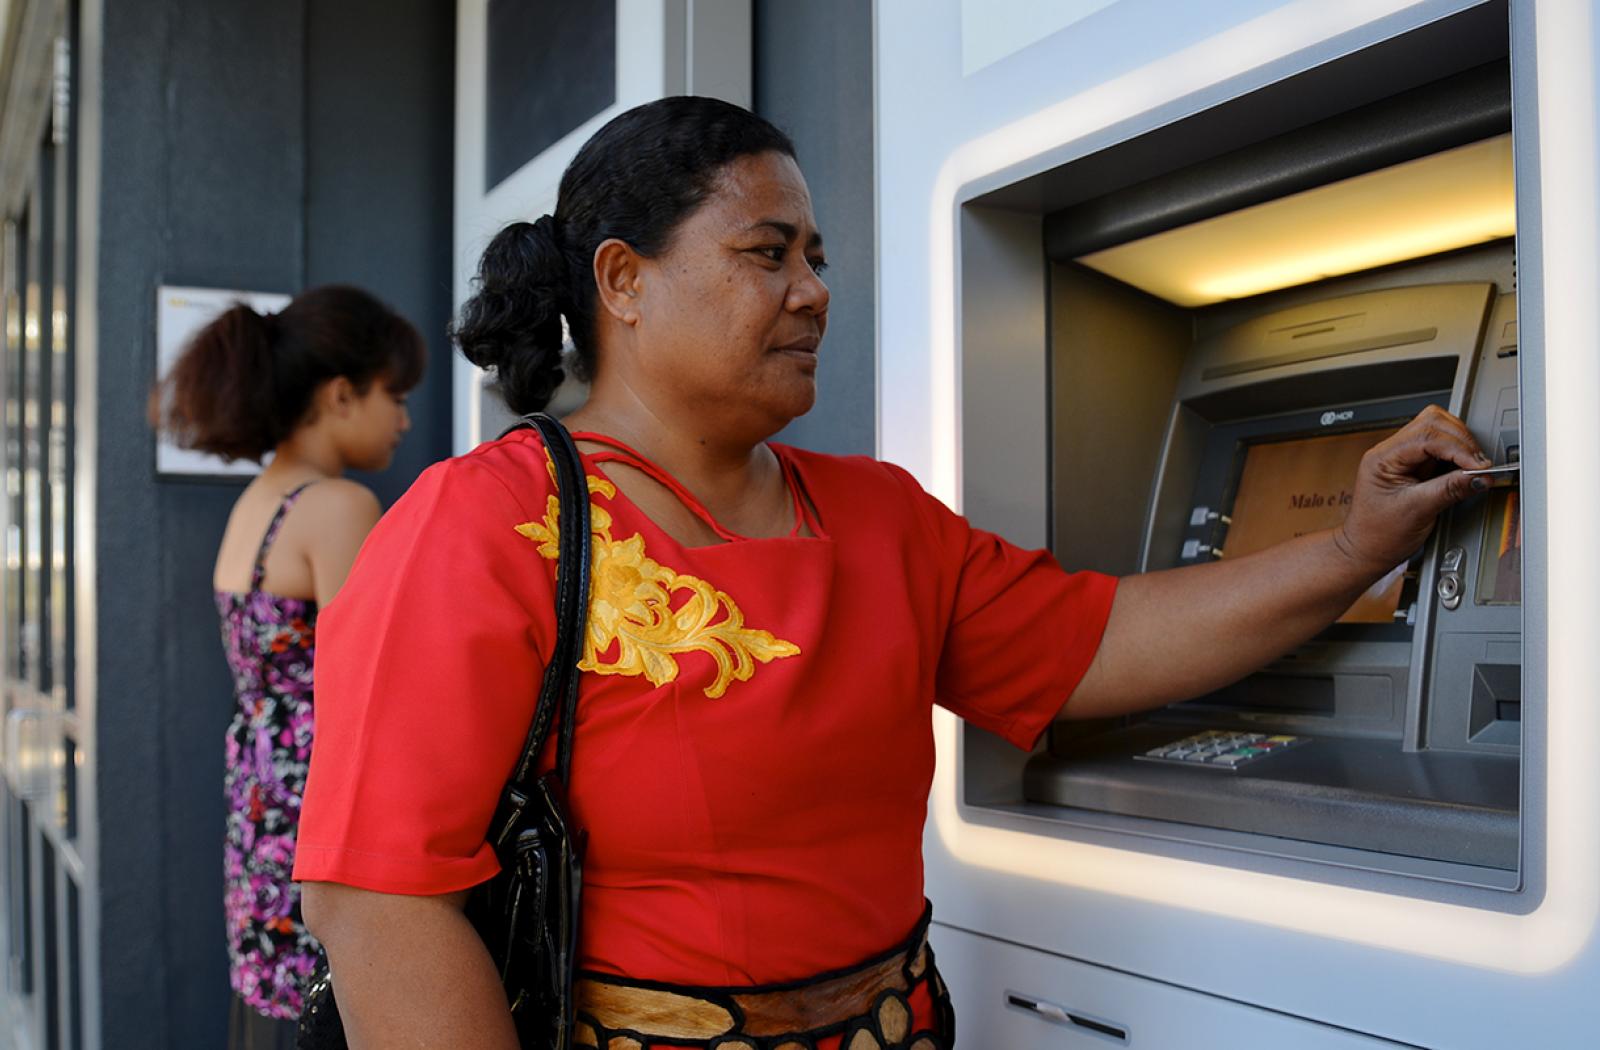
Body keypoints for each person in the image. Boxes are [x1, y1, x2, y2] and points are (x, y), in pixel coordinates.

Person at [293, 98, 1490, 1050]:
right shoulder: (490, 520)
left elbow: (1101, 641)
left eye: (816, 256)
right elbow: (379, 894)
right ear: (623, 282)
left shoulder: (878, 515)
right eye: (767, 253)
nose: (814, 290)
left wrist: (1351, 548)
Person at [151, 285, 424, 1049]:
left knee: (279, 1015)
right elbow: (367, 689)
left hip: (262, 801)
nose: (404, 418)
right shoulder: (338, 506)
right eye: (393, 395)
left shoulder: (258, 502)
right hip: (320, 807)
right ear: (341, 395)